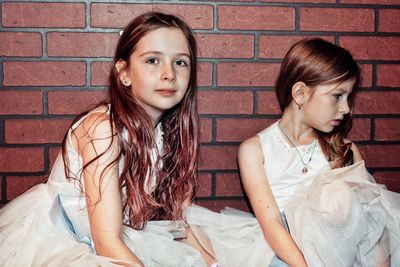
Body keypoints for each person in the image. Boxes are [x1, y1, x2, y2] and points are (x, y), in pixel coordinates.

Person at [0, 12, 217, 267]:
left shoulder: (168, 134)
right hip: (64, 241)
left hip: (124, 236)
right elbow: (108, 244)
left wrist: (213, 264)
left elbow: (179, 222)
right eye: (152, 60)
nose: (169, 73)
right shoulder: (102, 129)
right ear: (124, 73)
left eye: (180, 62)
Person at [237, 38, 400, 266]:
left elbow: (372, 225)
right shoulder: (255, 150)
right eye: (337, 96)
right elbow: (271, 224)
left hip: (342, 256)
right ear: (300, 93)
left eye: (348, 97)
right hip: (286, 253)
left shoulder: (346, 150)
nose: (345, 109)